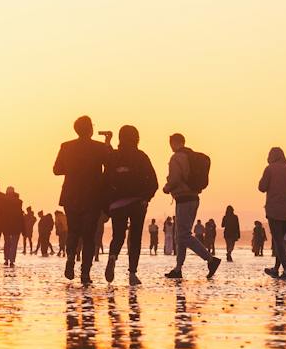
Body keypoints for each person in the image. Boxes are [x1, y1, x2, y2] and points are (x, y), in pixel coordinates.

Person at [54, 117, 109, 282]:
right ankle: (85, 272)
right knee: (89, 235)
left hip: (71, 196)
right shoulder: (99, 148)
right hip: (92, 197)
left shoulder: (66, 146)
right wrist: (107, 142)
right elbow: (110, 163)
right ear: (90, 129)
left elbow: (57, 170)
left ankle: (70, 258)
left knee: (73, 230)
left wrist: (72, 168)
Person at [102, 124, 158, 285]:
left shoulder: (114, 156)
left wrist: (107, 206)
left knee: (118, 235)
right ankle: (132, 273)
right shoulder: (141, 156)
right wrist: (146, 198)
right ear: (137, 138)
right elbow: (154, 182)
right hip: (137, 204)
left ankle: (112, 257)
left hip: (117, 205)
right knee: (135, 237)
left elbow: (105, 181)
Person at [162, 133, 220, 280]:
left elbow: (175, 178)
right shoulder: (191, 155)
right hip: (193, 198)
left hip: (184, 198)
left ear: (174, 143)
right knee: (181, 235)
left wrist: (167, 187)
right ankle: (178, 268)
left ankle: (210, 260)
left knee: (183, 235)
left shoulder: (176, 158)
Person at [258, 147, 286, 279]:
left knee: (278, 240)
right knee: (280, 240)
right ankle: (276, 269)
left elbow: (262, 187)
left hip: (273, 210)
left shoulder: (270, 169)